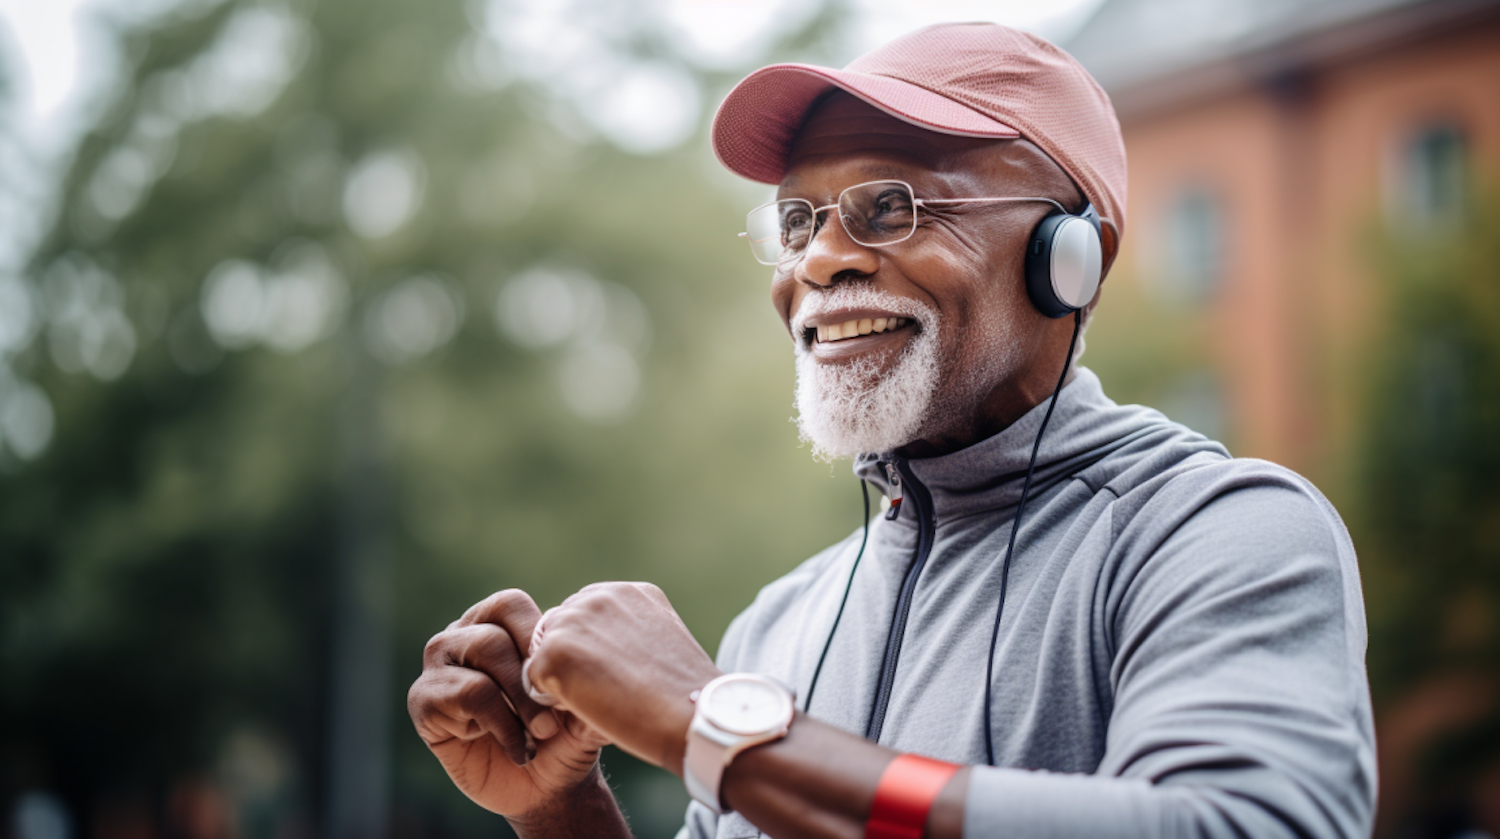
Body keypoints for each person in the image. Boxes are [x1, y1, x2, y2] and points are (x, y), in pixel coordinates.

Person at [407, 22, 1377, 839]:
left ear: (1071, 257)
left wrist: (724, 728)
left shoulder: (1227, 534)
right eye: (797, 220)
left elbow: (1233, 822)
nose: (821, 259)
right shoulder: (777, 623)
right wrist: (563, 810)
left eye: (887, 208)